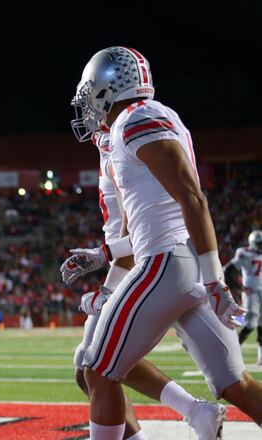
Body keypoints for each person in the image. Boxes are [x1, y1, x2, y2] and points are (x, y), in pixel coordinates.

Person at [69, 46, 262, 440]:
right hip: (178, 264)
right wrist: (103, 255)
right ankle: (200, 415)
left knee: (98, 371)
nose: (89, 107)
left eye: (92, 95)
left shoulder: (136, 118)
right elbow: (148, 221)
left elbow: (193, 198)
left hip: (165, 265)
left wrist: (216, 282)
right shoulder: (143, 121)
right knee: (233, 383)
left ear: (109, 88)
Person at [63, 117, 224, 439]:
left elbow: (135, 231)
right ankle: (196, 410)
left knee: (95, 366)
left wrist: (108, 285)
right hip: (145, 261)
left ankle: (196, 410)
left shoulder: (122, 151)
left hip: (147, 262)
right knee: (94, 368)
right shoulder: (111, 148)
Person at [225, 230, 262, 364]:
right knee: (251, 323)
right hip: (251, 292)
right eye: (259, 244)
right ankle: (234, 350)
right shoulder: (244, 253)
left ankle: (261, 358)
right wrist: (240, 288)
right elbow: (227, 270)